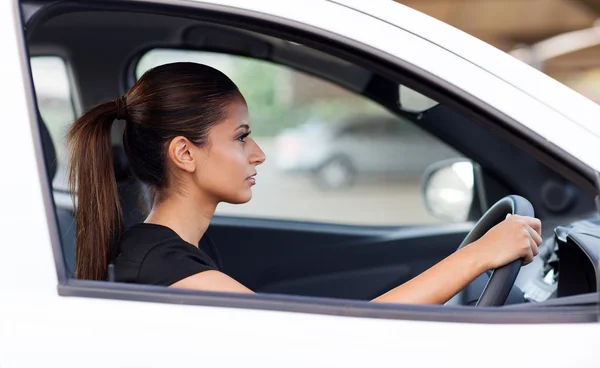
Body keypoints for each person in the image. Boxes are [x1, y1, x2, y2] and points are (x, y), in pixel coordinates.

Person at [67, 62, 542, 304]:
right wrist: (478, 255)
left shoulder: (170, 249)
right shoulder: (163, 265)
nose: (259, 153)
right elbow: (329, 343)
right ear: (185, 153)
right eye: (241, 137)